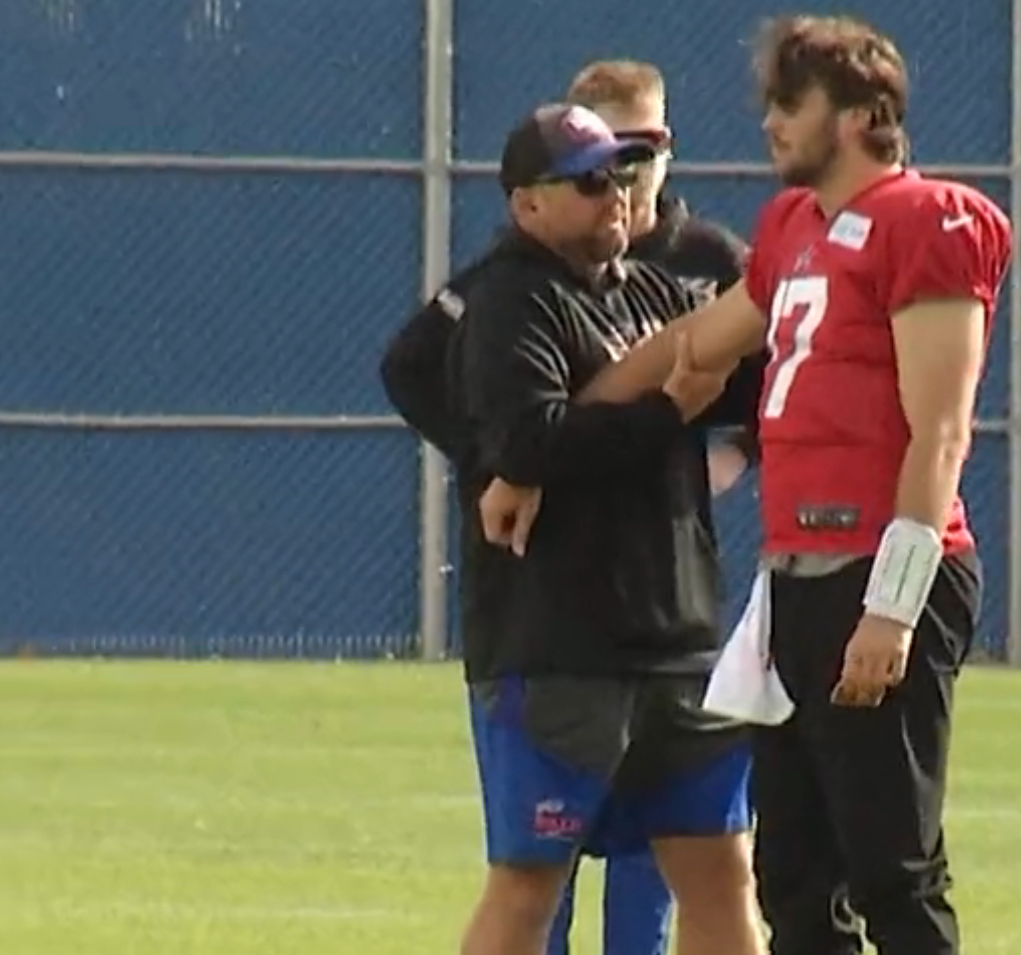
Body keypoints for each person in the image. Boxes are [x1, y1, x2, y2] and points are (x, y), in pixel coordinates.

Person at [477, 16, 1013, 955]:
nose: (769, 123)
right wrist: (527, 456)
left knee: (893, 865)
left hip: (879, 568)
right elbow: (689, 346)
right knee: (793, 873)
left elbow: (942, 432)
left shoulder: (927, 218)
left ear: (856, 115)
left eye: (789, 103)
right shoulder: (794, 228)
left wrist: (892, 608)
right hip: (796, 577)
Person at [386, 101, 768, 955]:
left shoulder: (657, 286)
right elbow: (529, 439)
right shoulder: (510, 299)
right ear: (528, 206)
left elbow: (739, 382)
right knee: (528, 883)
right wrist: (668, 408)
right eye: (590, 180)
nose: (617, 194)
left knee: (720, 870)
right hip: (561, 645)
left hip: (678, 639)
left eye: (624, 173)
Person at [537, 58, 758, 955]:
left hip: (669, 586)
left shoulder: (711, 263)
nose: (629, 172)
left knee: (667, 841)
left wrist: (719, 461)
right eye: (610, 149)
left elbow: (767, 396)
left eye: (650, 146)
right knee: (541, 844)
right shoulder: (541, 259)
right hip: (559, 594)